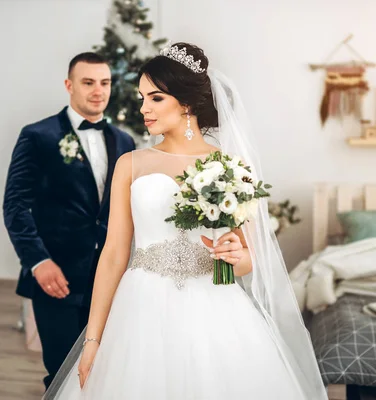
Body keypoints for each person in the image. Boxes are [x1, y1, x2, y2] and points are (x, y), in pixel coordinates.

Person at [43, 42, 328, 399]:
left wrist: (236, 257)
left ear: (188, 103)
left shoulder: (231, 166)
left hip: (215, 307)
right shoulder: (131, 164)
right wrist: (93, 339)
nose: (143, 108)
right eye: (142, 97)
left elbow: (248, 257)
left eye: (155, 98)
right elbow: (114, 254)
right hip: (140, 309)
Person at [2, 52, 136, 389]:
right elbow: (15, 206)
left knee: (107, 370)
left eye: (104, 82)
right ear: (69, 85)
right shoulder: (38, 135)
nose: (98, 90)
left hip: (111, 277)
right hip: (56, 278)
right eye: (88, 82)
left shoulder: (124, 141)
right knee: (61, 374)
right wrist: (38, 261)